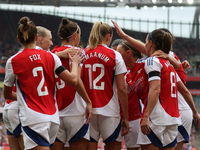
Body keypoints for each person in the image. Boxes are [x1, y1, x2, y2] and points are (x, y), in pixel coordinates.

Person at [112, 20, 200, 150]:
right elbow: (184, 88)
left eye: (146, 41)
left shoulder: (153, 61)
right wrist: (195, 112)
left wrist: (145, 116)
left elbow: (155, 89)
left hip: (158, 115)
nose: (144, 45)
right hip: (174, 116)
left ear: (151, 43)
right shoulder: (168, 62)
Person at [3, 16, 86, 150]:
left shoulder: (13, 61)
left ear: (18, 39)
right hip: (53, 118)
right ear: (36, 38)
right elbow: (73, 80)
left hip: (33, 118)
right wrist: (75, 63)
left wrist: (27, 97)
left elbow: (7, 94)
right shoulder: (52, 57)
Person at [81, 20, 129, 150]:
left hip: (88, 111)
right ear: (108, 37)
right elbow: (122, 89)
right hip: (110, 111)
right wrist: (126, 117)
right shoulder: (115, 55)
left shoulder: (83, 54)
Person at [51, 18, 93, 150]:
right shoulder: (77, 52)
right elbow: (77, 80)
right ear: (75, 35)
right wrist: (88, 102)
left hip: (57, 112)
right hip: (76, 112)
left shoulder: (52, 54)